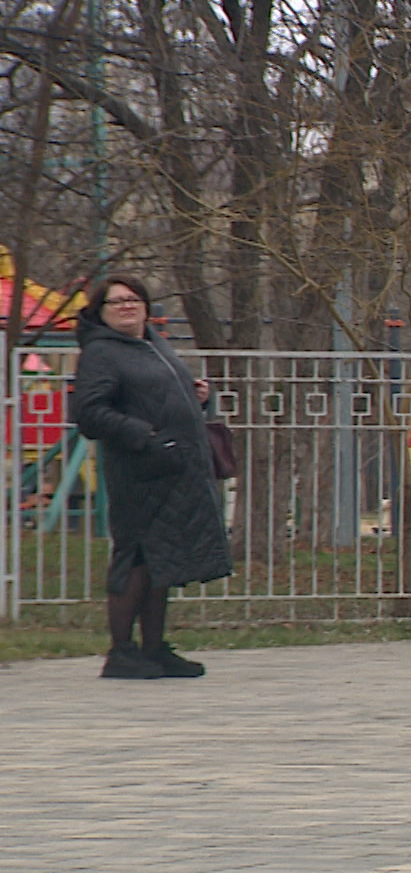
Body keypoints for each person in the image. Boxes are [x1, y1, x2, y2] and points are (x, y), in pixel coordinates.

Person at [72, 275, 233, 679]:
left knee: (161, 559)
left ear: (146, 305)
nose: (127, 306)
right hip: (139, 473)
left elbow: (155, 394)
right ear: (100, 313)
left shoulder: (151, 344)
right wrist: (143, 435)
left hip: (172, 472)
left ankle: (154, 648)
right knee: (137, 558)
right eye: (116, 302)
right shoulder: (101, 352)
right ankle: (122, 652)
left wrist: (196, 397)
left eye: (134, 299)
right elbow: (90, 414)